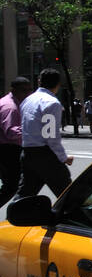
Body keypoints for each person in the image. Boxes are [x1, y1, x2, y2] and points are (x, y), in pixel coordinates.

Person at [16, 68, 74, 200]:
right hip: (46, 156)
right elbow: (50, 136)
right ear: (58, 84)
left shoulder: (27, 100)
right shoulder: (52, 103)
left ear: (39, 81)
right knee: (68, 196)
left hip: (27, 153)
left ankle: (12, 218)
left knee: (24, 194)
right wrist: (63, 157)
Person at [0, 76, 33, 208]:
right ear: (13, 90)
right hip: (8, 150)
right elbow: (12, 132)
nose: (28, 93)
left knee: (21, 184)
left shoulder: (12, 103)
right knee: (11, 186)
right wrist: (33, 130)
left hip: (9, 149)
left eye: (29, 90)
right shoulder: (11, 107)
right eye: (24, 90)